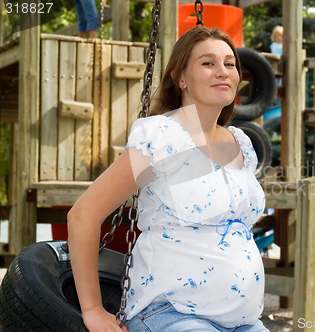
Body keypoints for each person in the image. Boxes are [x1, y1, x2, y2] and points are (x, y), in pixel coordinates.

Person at [67, 27, 269, 332]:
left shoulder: (241, 142)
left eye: (230, 64)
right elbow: (83, 215)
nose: (222, 72)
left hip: (243, 322)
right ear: (181, 78)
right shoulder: (164, 136)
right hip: (173, 315)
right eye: (207, 63)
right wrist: (93, 310)